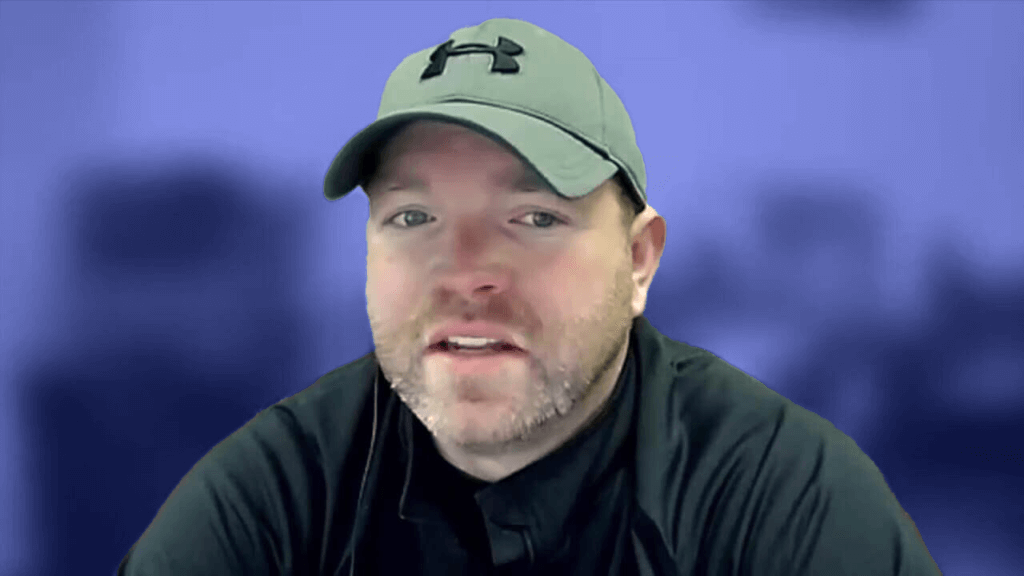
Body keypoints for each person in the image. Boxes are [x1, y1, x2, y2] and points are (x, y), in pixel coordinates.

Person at [117, 17, 942, 575]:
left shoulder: (780, 495)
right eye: (413, 215)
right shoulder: (279, 493)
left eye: (534, 216)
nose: (464, 270)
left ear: (640, 262)